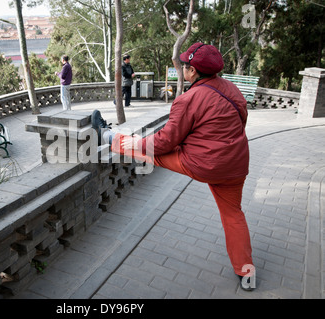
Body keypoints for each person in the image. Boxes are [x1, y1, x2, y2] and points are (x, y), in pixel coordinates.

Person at [92, 42, 255, 291]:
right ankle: (246, 273)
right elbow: (240, 121)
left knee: (152, 154)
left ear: (192, 72)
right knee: (234, 215)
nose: (182, 70)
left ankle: (108, 137)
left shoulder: (189, 99)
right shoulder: (231, 88)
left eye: (184, 66)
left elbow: (165, 141)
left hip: (203, 164)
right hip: (236, 164)